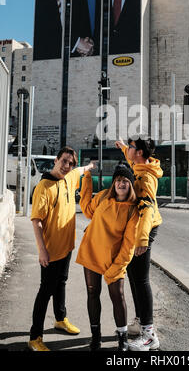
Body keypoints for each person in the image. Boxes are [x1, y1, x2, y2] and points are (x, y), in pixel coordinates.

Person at [28, 146, 95, 352]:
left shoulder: (70, 176)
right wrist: (42, 250)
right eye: (64, 161)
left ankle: (60, 319)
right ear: (56, 160)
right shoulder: (44, 187)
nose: (67, 166)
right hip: (50, 250)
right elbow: (37, 221)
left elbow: (81, 170)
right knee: (45, 291)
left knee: (61, 283)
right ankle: (34, 337)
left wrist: (90, 167)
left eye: (71, 163)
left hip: (66, 247)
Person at [76, 162, 139, 351]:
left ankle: (123, 338)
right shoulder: (104, 196)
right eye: (118, 180)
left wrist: (117, 266)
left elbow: (129, 244)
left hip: (114, 259)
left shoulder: (133, 209)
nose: (121, 184)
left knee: (117, 295)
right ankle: (96, 337)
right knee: (92, 293)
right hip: (92, 252)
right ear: (114, 183)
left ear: (130, 185)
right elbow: (87, 210)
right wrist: (86, 178)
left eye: (125, 181)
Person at [115, 137, 163, 351]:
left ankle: (149, 334)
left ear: (141, 153)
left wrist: (142, 239)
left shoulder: (145, 177)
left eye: (133, 148)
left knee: (141, 280)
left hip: (145, 229)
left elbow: (148, 209)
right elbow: (129, 153)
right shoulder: (138, 163)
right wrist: (123, 146)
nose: (130, 151)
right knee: (134, 277)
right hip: (137, 229)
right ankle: (141, 321)